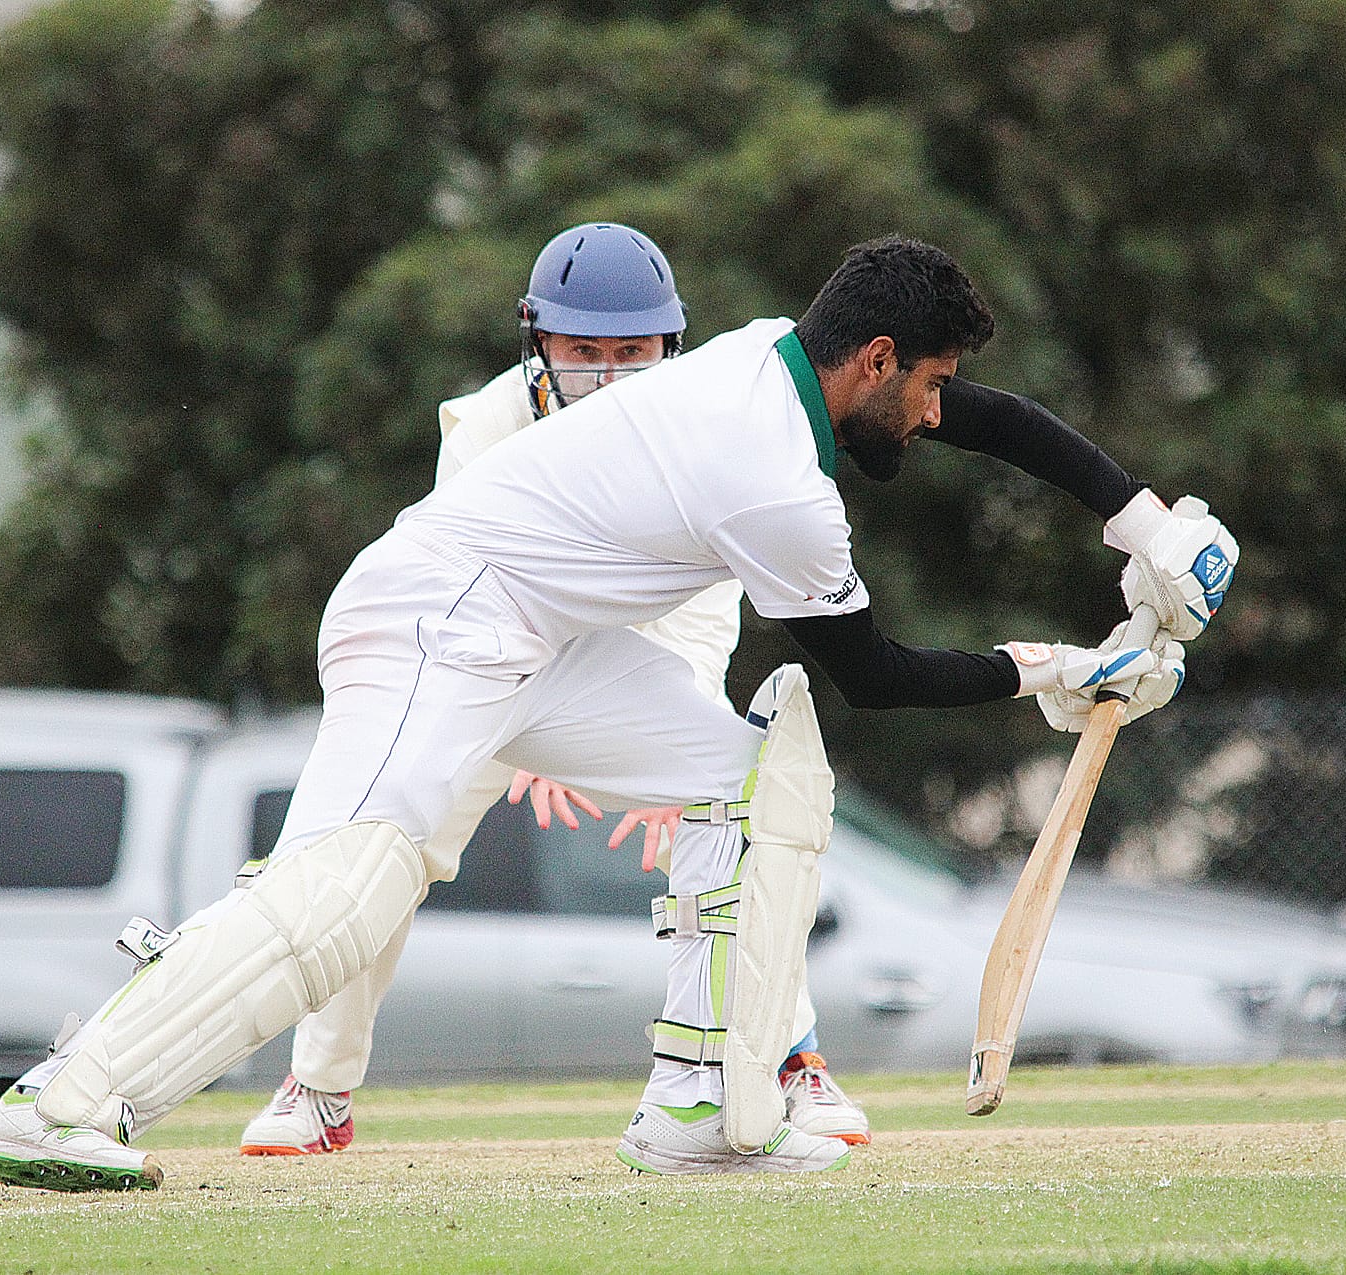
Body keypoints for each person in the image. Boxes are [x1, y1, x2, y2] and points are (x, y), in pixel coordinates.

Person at [0, 236, 1234, 1191]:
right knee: (353, 886)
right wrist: (1057, 670)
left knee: (755, 777)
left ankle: (695, 1104)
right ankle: (66, 1100)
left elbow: (987, 420)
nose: (931, 413)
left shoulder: (775, 355)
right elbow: (876, 675)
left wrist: (1144, 525)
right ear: (877, 360)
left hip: (539, 643)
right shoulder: (773, 478)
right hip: (433, 619)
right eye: (925, 384)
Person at [236, 222, 872, 1156]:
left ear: (671, 350)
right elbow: (478, 593)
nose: (608, 376)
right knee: (389, 838)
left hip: (633, 664)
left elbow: (702, 611)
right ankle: (318, 1085)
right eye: (584, 352)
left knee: (742, 808)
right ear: (538, 344)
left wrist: (673, 733)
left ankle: (791, 1063)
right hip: (485, 668)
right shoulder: (487, 426)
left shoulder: (714, 428)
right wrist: (531, 723)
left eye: (632, 354)